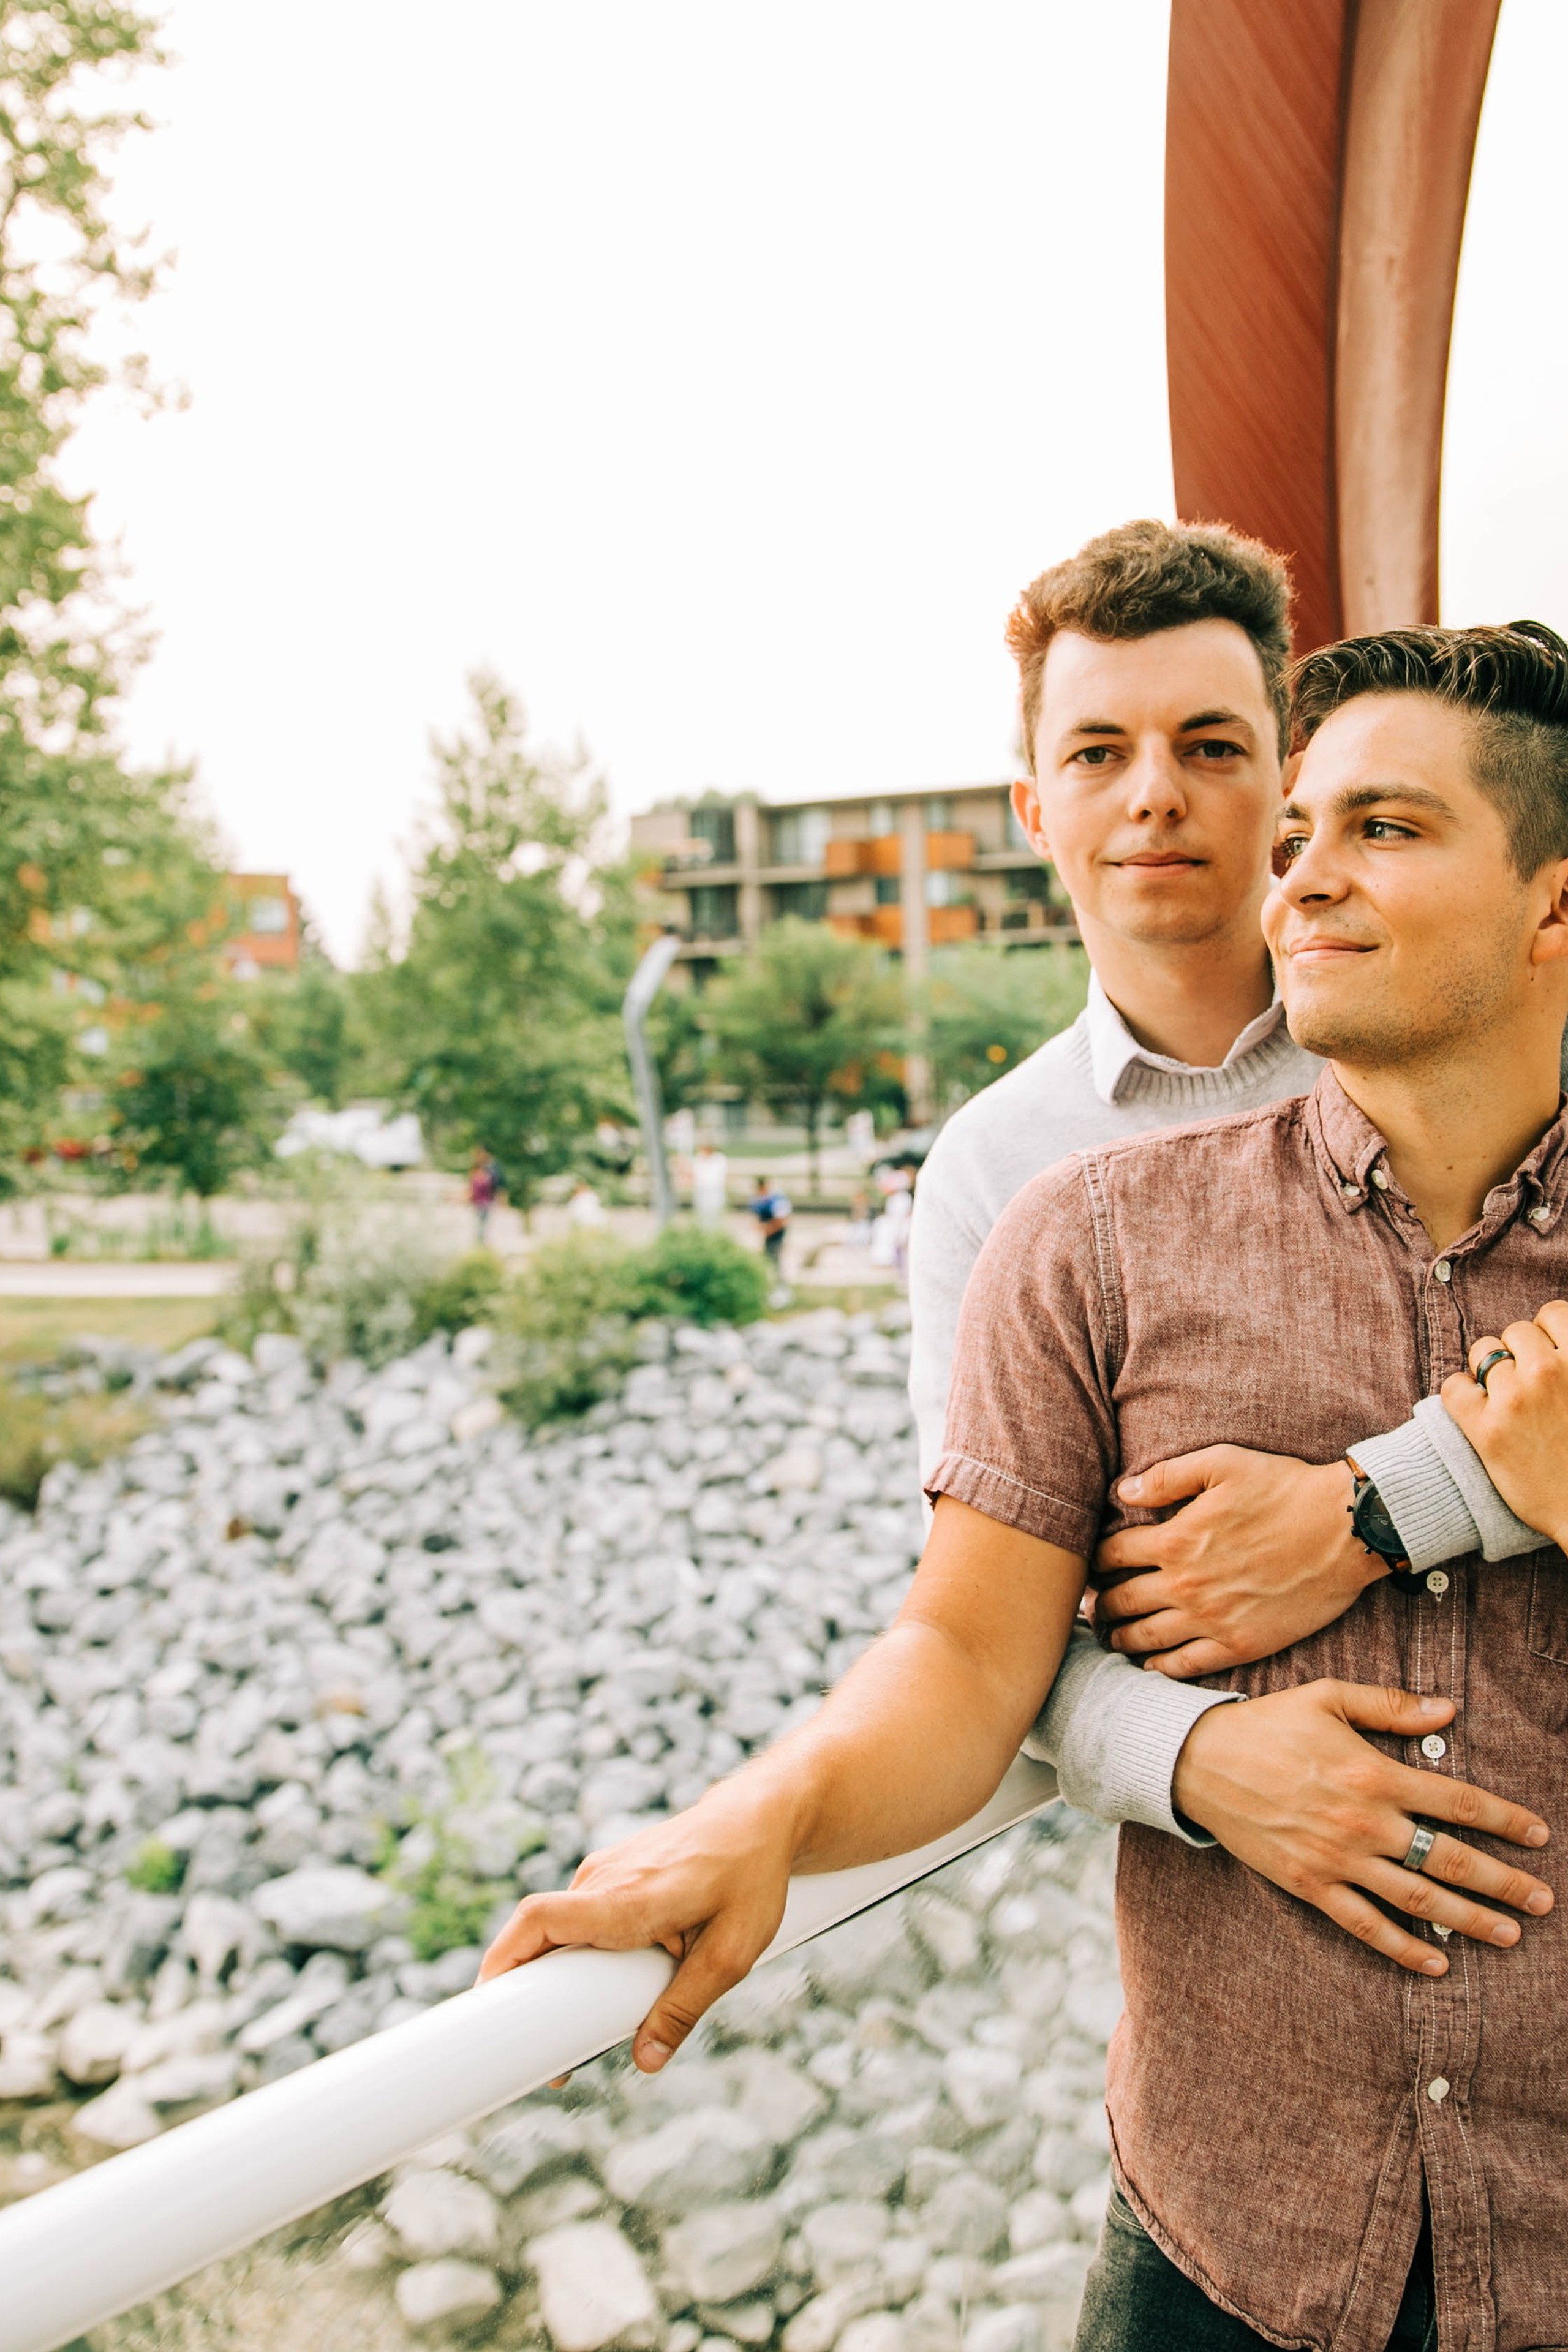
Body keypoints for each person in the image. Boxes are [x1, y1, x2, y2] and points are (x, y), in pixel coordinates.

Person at [481, 620, 1568, 2346]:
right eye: (1302, 832)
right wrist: (765, 1813)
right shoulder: (1083, 1236)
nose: (1296, 877)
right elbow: (969, 1647)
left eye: (1385, 828)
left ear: (1553, 907)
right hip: (1227, 2236)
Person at [909, 519, 1549, 1939]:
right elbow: (983, 1615)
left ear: (1283, 778)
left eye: (1208, 747)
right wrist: (1189, 1755)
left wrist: (1364, 1513)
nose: (1154, 796)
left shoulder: (1467, 1010)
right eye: (1096, 754)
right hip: (1245, 1950)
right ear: (1031, 808)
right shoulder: (995, 1174)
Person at [748, 1174, 791, 1294]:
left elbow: (782, 1220)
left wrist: (768, 1229)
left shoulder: (777, 1199)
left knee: (775, 1259)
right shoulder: (758, 1200)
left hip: (777, 1234)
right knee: (767, 1259)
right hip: (767, 1234)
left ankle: (781, 1286)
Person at [467, 1147, 502, 1245]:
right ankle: (480, 1242)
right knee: (480, 1223)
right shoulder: (477, 1173)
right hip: (479, 1202)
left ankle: (481, 1242)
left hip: (486, 1202)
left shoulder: (491, 1171)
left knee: (483, 1224)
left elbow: (496, 1187)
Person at [691, 1141, 729, 1226]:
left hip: (715, 1189)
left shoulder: (719, 1159)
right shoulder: (699, 1158)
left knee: (716, 1211)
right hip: (702, 1189)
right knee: (702, 1212)